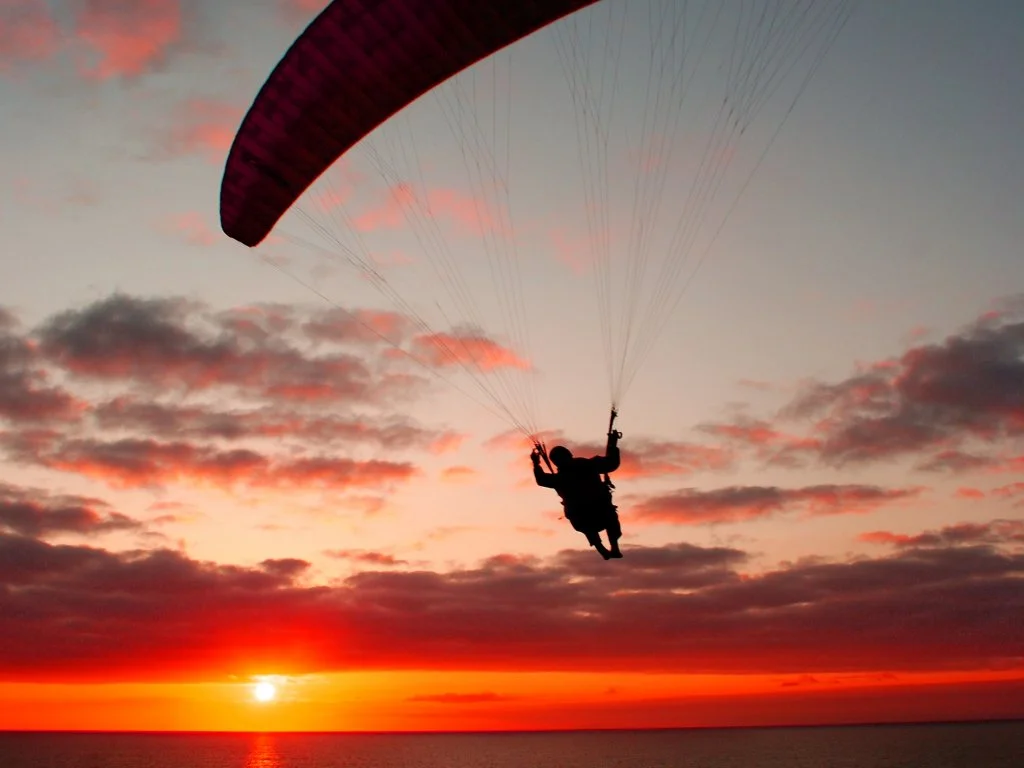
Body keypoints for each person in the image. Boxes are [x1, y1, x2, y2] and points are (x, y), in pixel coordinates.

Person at [532, 427, 623, 560]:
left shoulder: (560, 478)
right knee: (607, 519)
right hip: (598, 512)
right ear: (570, 454)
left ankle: (602, 548)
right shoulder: (589, 465)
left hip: (584, 517)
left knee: (588, 522)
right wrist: (613, 445)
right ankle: (613, 546)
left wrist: (536, 464)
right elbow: (611, 463)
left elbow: (541, 480)